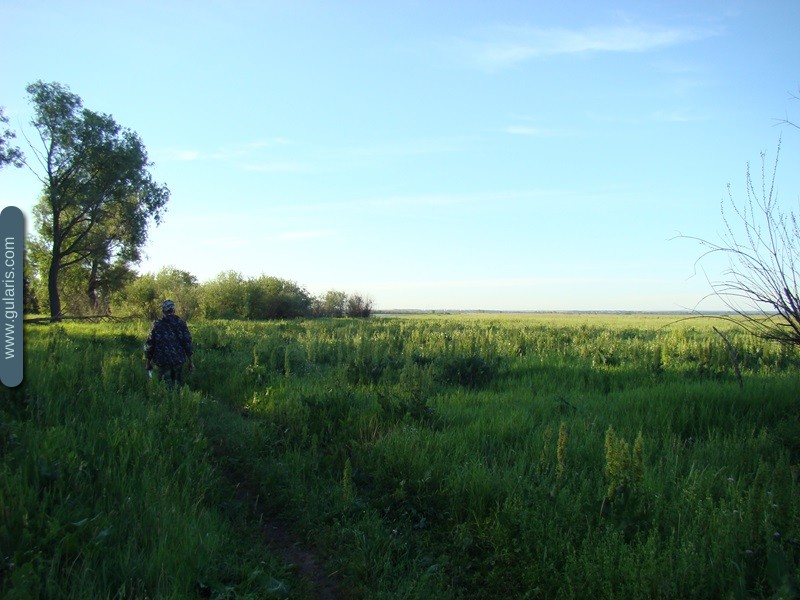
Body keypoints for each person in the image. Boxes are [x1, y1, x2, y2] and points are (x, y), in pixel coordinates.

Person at [145, 299, 194, 386]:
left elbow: (150, 345)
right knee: (177, 386)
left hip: (162, 361)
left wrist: (148, 362)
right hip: (178, 360)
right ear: (174, 310)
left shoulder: (157, 324)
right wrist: (191, 362)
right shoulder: (181, 323)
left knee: (164, 386)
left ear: (163, 311)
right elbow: (187, 343)